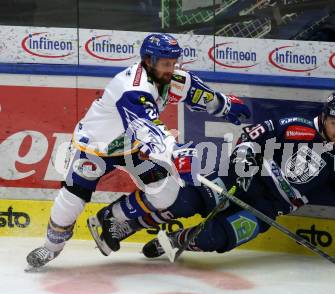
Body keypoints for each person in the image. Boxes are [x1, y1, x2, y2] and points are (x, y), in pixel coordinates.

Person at [26, 33, 251, 269]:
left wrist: (224, 105)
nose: (171, 69)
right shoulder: (132, 87)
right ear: (148, 61)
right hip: (95, 148)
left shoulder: (174, 79)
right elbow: (146, 127)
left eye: (174, 63)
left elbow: (198, 93)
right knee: (72, 199)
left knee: (165, 193)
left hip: (133, 150)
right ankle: (50, 248)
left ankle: (113, 217)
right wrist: (175, 152)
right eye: (165, 64)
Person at [141, 92, 335, 267]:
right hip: (244, 180)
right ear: (324, 117)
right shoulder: (297, 128)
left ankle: (174, 240)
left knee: (211, 238)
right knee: (189, 201)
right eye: (334, 123)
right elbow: (251, 135)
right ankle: (134, 217)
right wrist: (244, 157)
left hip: (267, 209)